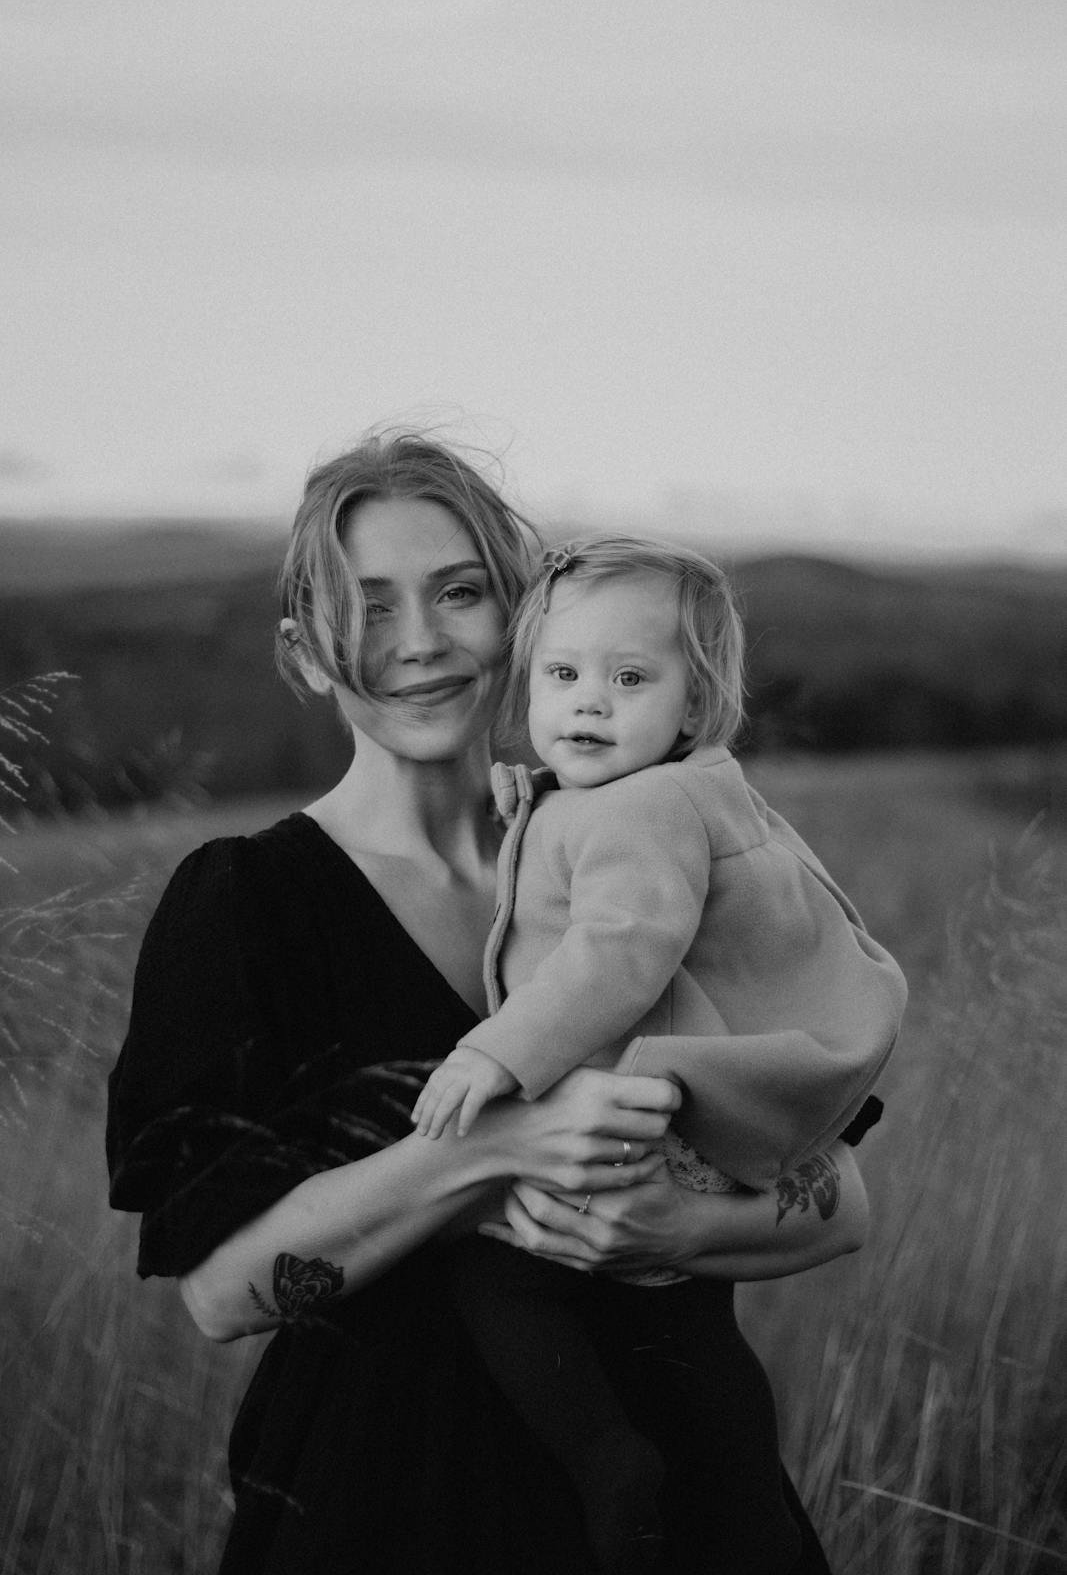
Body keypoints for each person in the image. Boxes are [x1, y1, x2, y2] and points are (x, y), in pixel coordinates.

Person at [107, 428, 879, 1575]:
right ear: (303, 652)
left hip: (689, 1504)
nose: (418, 644)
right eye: (367, 606)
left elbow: (839, 1199)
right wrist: (490, 1149)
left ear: (521, 617)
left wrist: (679, 1226)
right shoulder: (247, 903)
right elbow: (224, 1294)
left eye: (459, 593)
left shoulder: (649, 838)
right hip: (388, 1509)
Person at [406, 533, 905, 1563]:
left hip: (619, 1114)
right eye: (562, 674)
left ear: (692, 704)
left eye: (628, 678)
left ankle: (602, 1456)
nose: (588, 702)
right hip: (677, 1131)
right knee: (688, 1331)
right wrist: (527, 805)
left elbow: (617, 952)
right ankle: (746, 1517)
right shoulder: (659, 792)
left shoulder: (642, 807)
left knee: (490, 1266)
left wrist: (496, 1055)